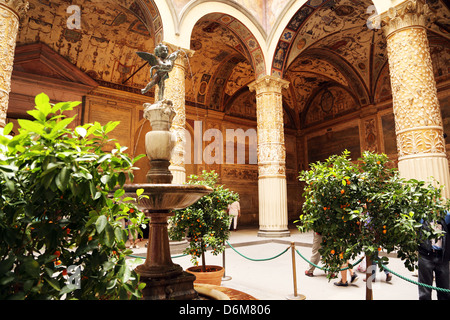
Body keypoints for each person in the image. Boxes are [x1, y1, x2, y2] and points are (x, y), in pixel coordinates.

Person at [417, 212, 450, 300]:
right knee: (425, 292)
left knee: (444, 290)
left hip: (442, 257)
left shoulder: (446, 216)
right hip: (425, 255)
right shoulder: (421, 215)